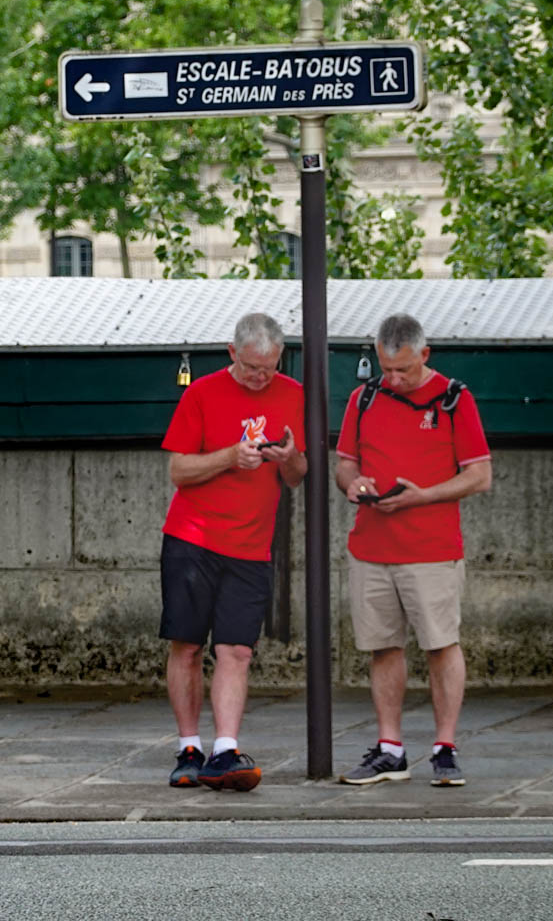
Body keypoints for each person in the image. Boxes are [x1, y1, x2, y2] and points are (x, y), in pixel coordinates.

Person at [334, 313, 492, 788]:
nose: (394, 379)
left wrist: (424, 496)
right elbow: (345, 463)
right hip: (372, 546)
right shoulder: (363, 397)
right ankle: (390, 749)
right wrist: (353, 483)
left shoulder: (455, 398)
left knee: (441, 644)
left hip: (431, 548)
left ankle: (445, 748)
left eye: (403, 369)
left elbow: (479, 475)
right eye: (386, 369)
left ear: (425, 354)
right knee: (383, 646)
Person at [158, 312, 306, 791]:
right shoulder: (201, 393)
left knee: (238, 648)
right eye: (251, 368)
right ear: (231, 353)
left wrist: (289, 458)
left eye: (269, 368)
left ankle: (225, 749)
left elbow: (298, 475)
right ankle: (188, 747)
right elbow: (179, 471)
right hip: (192, 539)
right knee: (187, 645)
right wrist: (230, 456)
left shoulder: (293, 394)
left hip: (252, 545)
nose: (261, 378)